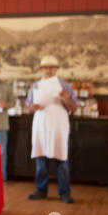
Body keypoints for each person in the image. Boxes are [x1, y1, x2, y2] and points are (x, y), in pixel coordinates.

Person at [26, 55, 77, 204]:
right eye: (45, 68)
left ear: (57, 69)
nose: (48, 70)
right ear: (41, 70)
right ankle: (40, 190)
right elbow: (29, 106)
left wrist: (66, 98)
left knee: (62, 160)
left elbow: (73, 108)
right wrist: (33, 107)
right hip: (41, 124)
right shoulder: (35, 86)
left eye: (51, 67)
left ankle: (64, 192)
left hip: (59, 126)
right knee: (41, 159)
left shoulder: (65, 86)